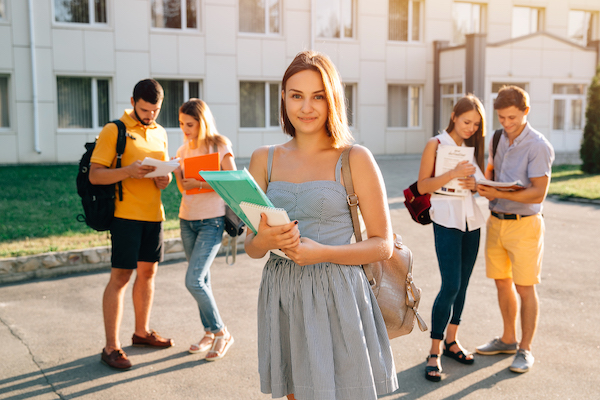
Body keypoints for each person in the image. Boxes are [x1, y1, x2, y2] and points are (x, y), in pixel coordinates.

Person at [244, 50, 398, 400]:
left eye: (318, 96)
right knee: (296, 394)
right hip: (282, 291)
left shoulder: (354, 158)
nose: (306, 107)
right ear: (283, 98)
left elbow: (382, 244)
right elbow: (250, 248)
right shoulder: (263, 159)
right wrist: (265, 240)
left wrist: (322, 252)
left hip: (338, 291)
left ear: (333, 101)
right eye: (296, 95)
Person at [90, 79, 173, 370]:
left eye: (155, 110)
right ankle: (111, 347)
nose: (150, 116)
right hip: (125, 216)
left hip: (154, 214)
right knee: (121, 277)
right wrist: (128, 171)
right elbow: (95, 175)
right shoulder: (115, 130)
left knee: (148, 274)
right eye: (144, 109)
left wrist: (166, 178)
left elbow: (163, 172)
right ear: (133, 101)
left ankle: (141, 332)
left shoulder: (161, 132)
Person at [476, 85, 554, 374]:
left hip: (525, 226)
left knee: (525, 287)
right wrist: (485, 184)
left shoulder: (539, 145)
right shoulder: (497, 137)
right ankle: (508, 339)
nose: (506, 124)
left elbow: (537, 194)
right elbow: (492, 171)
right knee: (501, 282)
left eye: (512, 118)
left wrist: (502, 194)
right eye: (502, 118)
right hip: (496, 221)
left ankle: (525, 348)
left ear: (526, 112)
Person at [418, 95, 487, 382]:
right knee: (451, 285)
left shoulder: (472, 148)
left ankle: (452, 341)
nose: (470, 128)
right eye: (466, 121)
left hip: (472, 222)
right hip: (446, 222)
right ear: (454, 116)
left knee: (464, 285)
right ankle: (433, 352)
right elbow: (423, 185)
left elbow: (482, 186)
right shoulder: (436, 145)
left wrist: (475, 185)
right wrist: (453, 173)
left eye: (476, 124)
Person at [173, 99, 235, 361]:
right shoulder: (182, 150)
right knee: (203, 279)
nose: (185, 129)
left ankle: (222, 332)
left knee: (193, 280)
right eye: (181, 124)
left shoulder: (220, 144)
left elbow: (232, 181)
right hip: (187, 219)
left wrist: (199, 184)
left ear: (202, 121)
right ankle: (209, 332)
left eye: (189, 124)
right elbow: (183, 189)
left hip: (212, 220)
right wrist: (176, 173)